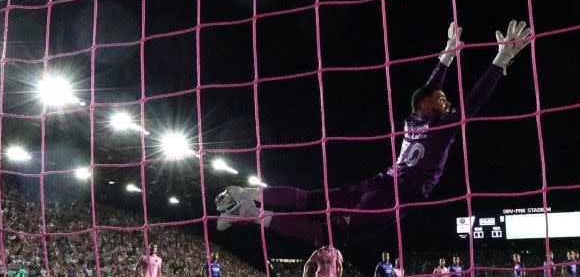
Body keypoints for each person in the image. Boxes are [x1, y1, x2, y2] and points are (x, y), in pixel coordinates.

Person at [215, 21, 533, 244]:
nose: (447, 100)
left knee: (311, 200)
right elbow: (473, 102)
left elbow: (431, 88)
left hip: (380, 183)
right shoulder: (439, 126)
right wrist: (500, 59)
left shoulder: (413, 120)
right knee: (325, 235)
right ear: (425, 105)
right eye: (442, 99)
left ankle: (248, 195)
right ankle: (248, 211)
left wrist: (448, 54)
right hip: (390, 196)